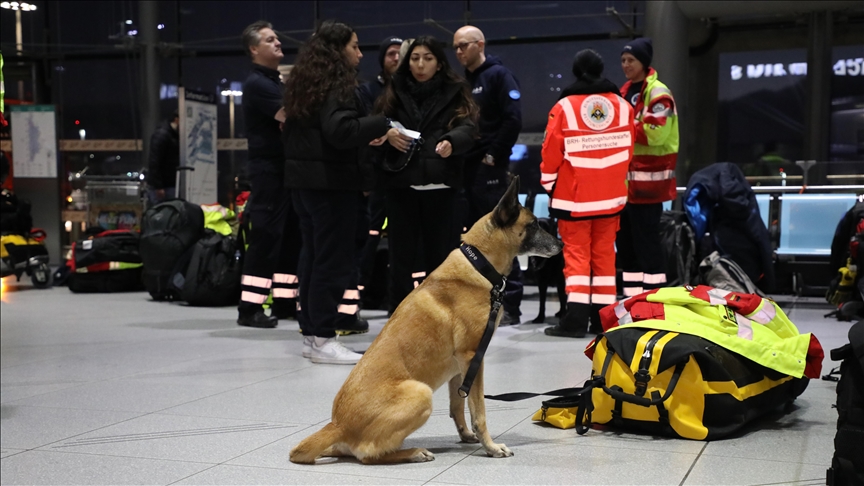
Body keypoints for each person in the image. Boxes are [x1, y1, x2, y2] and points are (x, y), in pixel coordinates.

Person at [282, 20, 390, 364]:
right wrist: (382, 123)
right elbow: (340, 131)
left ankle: (313, 336)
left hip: (304, 184)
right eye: (355, 46)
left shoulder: (305, 83)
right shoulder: (338, 85)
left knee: (313, 258)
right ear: (338, 49)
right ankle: (325, 338)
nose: (359, 54)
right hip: (331, 186)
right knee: (333, 262)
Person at [374, 36, 478, 313]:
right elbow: (376, 123)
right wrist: (388, 133)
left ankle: (440, 315)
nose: (420, 65)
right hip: (402, 184)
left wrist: (452, 141)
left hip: (441, 185)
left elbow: (469, 128)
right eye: (415, 58)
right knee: (400, 258)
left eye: (428, 58)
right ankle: (398, 314)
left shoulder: (455, 90)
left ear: (439, 63)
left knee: (441, 258)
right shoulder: (394, 89)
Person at [539, 49, 635, 338]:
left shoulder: (565, 107)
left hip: (575, 198)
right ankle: (603, 321)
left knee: (578, 259)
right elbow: (629, 150)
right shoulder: (622, 105)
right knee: (605, 258)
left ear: (576, 71)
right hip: (612, 198)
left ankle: (575, 321)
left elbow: (551, 151)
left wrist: (548, 185)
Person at [452, 25, 524, 325]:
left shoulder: (498, 75)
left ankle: (511, 306)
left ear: (479, 44)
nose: (458, 52)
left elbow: (513, 119)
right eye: (455, 47)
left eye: (463, 46)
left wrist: (493, 155)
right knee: (471, 238)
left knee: (501, 234)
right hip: (465, 168)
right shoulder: (462, 82)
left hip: (490, 168)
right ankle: (481, 301)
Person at [236, 21, 302, 329]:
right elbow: (291, 117)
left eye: (276, 37)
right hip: (268, 171)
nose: (277, 42)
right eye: (269, 39)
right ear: (254, 49)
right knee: (265, 236)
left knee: (290, 235)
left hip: (284, 170)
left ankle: (286, 301)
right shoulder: (258, 84)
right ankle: (250, 307)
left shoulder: (275, 82)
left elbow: (290, 120)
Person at [616, 37, 679, 298]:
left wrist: (621, 127)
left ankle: (654, 301)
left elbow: (655, 134)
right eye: (623, 60)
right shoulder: (622, 92)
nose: (625, 65)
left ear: (643, 62)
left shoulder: (659, 93)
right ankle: (632, 301)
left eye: (631, 60)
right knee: (627, 250)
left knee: (649, 249)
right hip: (625, 189)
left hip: (649, 188)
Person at [356, 36, 402, 310]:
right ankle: (358, 293)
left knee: (403, 237)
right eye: (390, 54)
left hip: (403, 174)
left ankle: (401, 298)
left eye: (399, 53)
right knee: (369, 235)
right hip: (375, 174)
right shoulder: (369, 90)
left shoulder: (411, 90)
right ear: (382, 59)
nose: (395, 58)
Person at [146, 111, 179, 206]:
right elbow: (154, 162)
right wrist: (158, 186)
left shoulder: (169, 134)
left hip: (168, 185)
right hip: (165, 186)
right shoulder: (163, 135)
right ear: (176, 120)